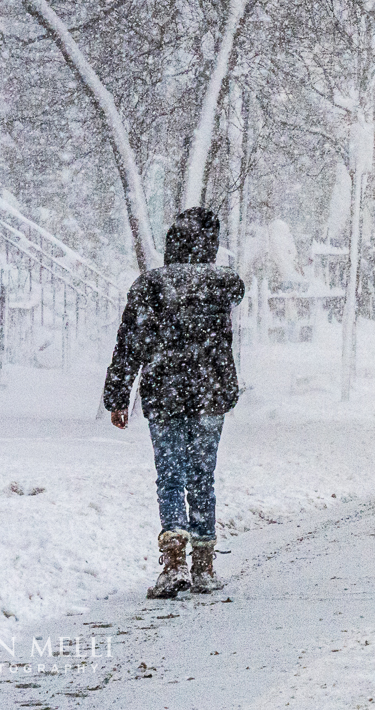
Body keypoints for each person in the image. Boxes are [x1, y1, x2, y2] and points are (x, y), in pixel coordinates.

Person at [103, 207, 246, 599]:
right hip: (209, 392)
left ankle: (173, 563)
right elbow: (236, 292)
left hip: (164, 391)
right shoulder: (222, 285)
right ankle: (204, 565)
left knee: (169, 476)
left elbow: (128, 344)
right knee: (202, 476)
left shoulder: (150, 286)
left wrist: (117, 395)